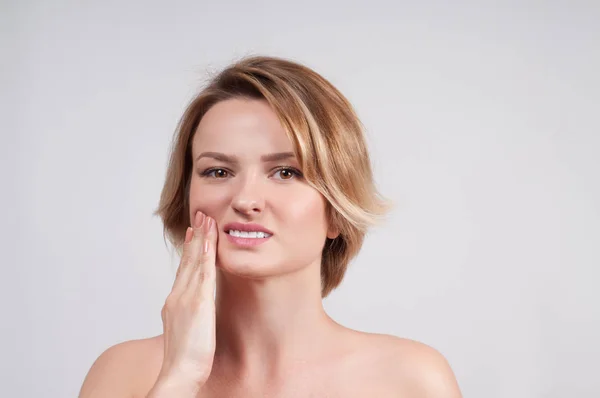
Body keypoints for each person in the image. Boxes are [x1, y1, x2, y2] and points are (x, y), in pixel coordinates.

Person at [79, 55, 462, 397]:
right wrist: (179, 378)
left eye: (285, 172)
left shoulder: (409, 381)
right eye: (218, 171)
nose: (246, 200)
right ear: (187, 197)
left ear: (336, 210)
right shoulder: (124, 374)